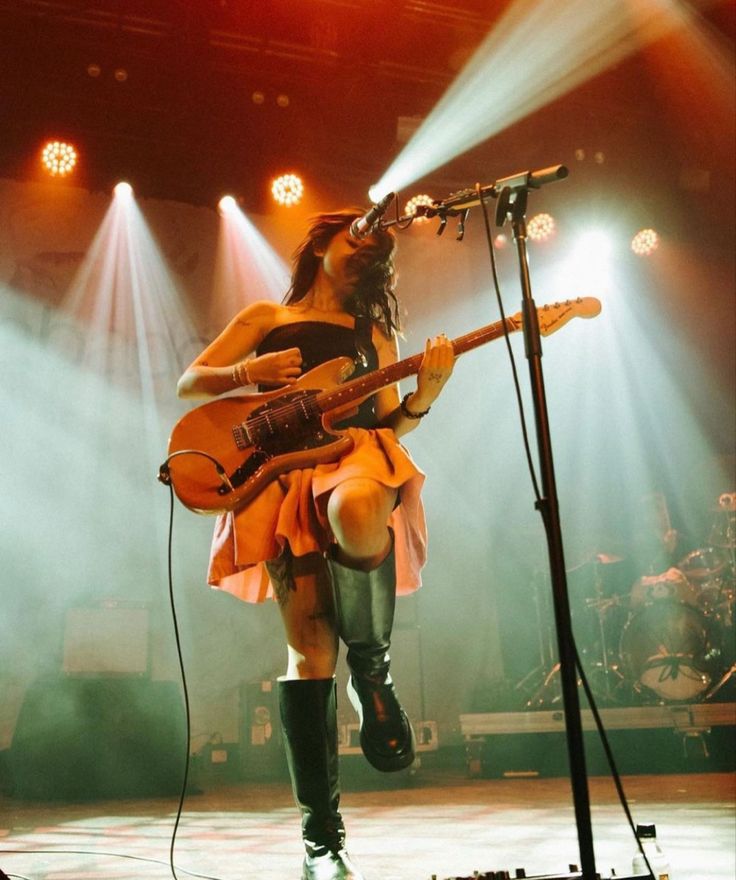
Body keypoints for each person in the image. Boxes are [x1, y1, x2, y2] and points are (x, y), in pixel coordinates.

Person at [177, 209, 454, 880]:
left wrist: (425, 396)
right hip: (283, 472)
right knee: (308, 654)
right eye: (361, 236)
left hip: (355, 456)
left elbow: (389, 421)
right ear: (324, 242)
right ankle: (322, 841)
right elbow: (191, 383)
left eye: (380, 247)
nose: (371, 248)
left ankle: (374, 672)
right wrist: (251, 368)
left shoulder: (377, 335)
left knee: (361, 503)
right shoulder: (266, 314)